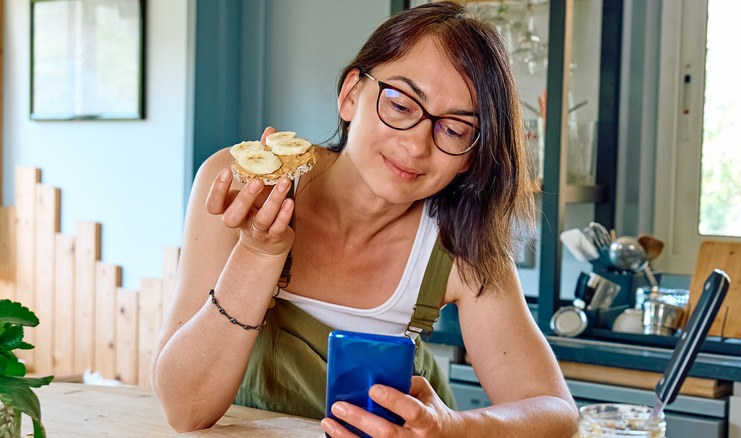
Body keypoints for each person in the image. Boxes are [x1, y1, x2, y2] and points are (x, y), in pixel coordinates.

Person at [150, 2, 578, 436]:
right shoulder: (243, 185)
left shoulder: (460, 244)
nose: (415, 146)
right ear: (351, 94)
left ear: (471, 157)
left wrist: (454, 428)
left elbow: (556, 414)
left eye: (454, 130)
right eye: (400, 104)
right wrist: (258, 253)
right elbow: (185, 410)